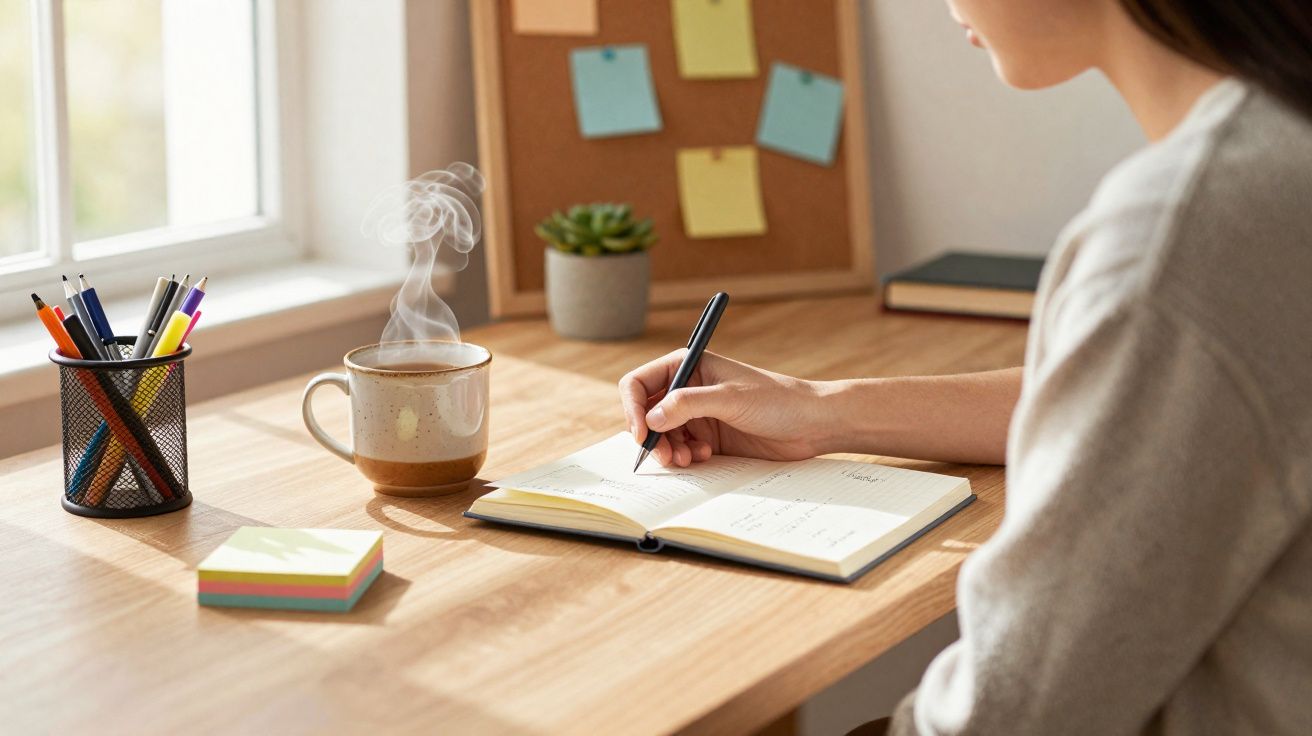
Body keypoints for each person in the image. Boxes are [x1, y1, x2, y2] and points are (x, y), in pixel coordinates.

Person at [619, 0, 1312, 733]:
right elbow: (1144, 408)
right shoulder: (1278, 146)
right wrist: (818, 409)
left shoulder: (1185, 233)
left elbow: (1017, 711)